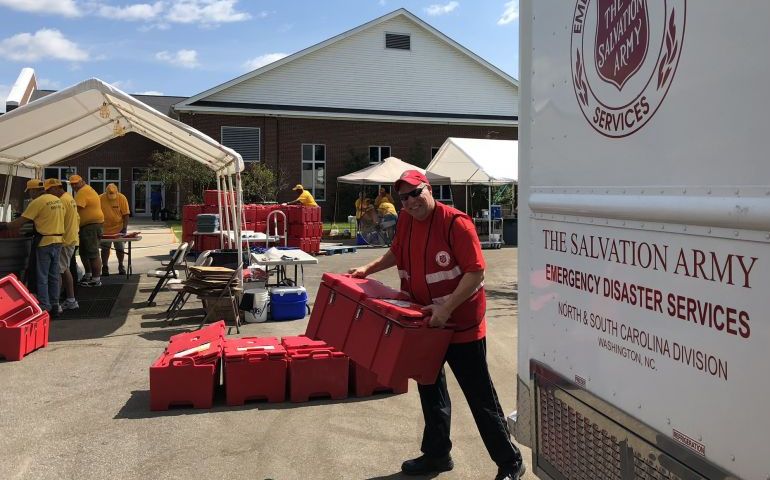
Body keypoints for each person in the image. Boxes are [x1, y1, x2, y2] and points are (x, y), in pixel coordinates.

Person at [348, 170, 525, 480]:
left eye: (416, 193)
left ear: (428, 189)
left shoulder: (456, 223)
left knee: (479, 396)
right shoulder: (406, 220)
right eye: (404, 198)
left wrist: (447, 307)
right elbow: (397, 251)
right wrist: (368, 267)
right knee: (430, 390)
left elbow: (475, 273)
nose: (411, 202)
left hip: (460, 326)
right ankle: (436, 454)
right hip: (425, 322)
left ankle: (510, 462)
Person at [0, 179, 64, 315]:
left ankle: (45, 306)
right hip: (58, 240)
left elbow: (19, 223)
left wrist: (3, 226)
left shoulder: (37, 202)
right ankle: (55, 305)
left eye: (29, 192)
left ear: (34, 190)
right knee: (54, 276)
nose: (30, 195)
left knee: (42, 276)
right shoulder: (56, 200)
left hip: (45, 242)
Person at [44, 179, 80, 311]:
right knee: (64, 269)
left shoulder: (62, 201)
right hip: (70, 238)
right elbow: (77, 218)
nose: (48, 193)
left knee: (58, 271)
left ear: (57, 188)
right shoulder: (69, 198)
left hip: (64, 240)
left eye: (49, 190)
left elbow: (56, 219)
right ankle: (70, 299)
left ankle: (56, 303)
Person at [70, 174, 104, 287]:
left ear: (82, 181)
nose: (74, 185)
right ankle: (89, 275)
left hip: (91, 226)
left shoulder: (82, 192)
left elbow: (74, 210)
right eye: (72, 184)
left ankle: (96, 279)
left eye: (76, 183)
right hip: (89, 226)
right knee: (84, 252)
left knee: (93, 253)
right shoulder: (87, 189)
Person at [99, 183, 130, 276]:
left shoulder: (122, 198)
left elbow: (126, 214)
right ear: (106, 192)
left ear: (117, 192)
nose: (111, 197)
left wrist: (124, 228)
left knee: (120, 248)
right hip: (105, 229)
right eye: (109, 194)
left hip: (118, 229)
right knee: (105, 249)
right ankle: (104, 267)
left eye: (113, 194)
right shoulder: (100, 198)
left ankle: (121, 266)